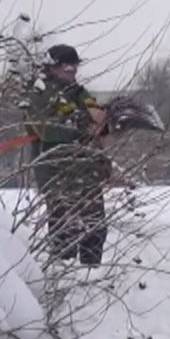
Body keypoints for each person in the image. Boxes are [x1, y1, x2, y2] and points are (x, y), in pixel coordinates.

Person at [26, 43, 112, 265]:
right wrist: (83, 125)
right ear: (52, 67)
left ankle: (93, 274)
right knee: (65, 231)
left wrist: (103, 124)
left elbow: (94, 120)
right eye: (67, 67)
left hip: (86, 171)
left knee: (95, 228)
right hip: (58, 172)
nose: (72, 72)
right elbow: (44, 128)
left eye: (75, 67)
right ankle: (64, 277)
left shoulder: (78, 92)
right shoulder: (40, 92)